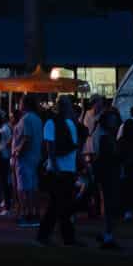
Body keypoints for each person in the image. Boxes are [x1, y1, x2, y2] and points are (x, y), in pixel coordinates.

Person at [37, 95, 81, 247]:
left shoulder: (66, 123)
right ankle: (64, 237)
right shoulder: (56, 123)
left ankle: (51, 236)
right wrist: (55, 166)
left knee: (59, 206)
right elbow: (50, 147)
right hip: (60, 170)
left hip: (66, 169)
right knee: (61, 205)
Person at [91, 108, 124, 249]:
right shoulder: (106, 137)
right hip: (109, 173)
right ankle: (108, 235)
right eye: (112, 119)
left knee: (107, 203)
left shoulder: (103, 134)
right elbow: (109, 156)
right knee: (110, 204)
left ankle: (106, 233)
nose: (114, 122)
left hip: (106, 173)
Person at [13, 95, 44, 228]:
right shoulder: (37, 119)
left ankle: (27, 214)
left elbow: (26, 138)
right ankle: (34, 213)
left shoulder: (26, 119)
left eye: (20, 102)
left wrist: (17, 152)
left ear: (25, 104)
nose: (18, 104)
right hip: (35, 156)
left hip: (25, 158)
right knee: (33, 186)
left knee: (24, 187)